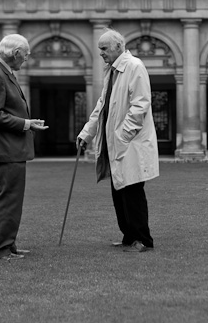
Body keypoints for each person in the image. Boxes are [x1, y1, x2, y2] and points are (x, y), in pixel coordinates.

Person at [77, 28, 159, 253]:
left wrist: (122, 136)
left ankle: (143, 240)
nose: (101, 53)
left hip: (129, 143)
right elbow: (101, 107)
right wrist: (87, 133)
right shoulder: (111, 71)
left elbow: (140, 105)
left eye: (104, 49)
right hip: (116, 143)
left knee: (132, 190)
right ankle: (129, 237)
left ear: (118, 46)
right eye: (99, 49)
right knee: (119, 190)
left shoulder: (134, 66)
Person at [0, 34, 48, 260]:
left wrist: (27, 123)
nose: (26, 60)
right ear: (16, 53)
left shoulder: (2, 71)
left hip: (10, 149)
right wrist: (26, 124)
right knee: (8, 200)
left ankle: (7, 245)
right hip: (6, 150)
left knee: (11, 200)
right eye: (25, 55)